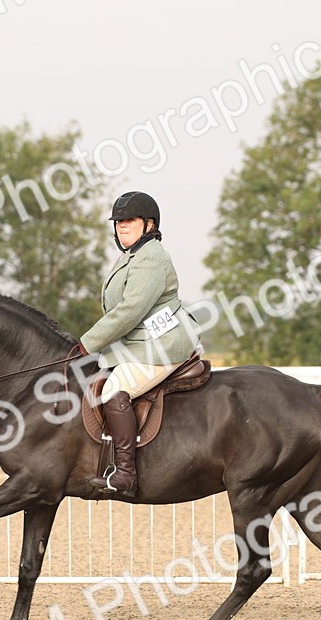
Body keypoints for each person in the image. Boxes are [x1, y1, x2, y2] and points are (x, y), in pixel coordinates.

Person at [78, 191, 201, 497]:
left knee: (113, 390)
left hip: (162, 346)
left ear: (149, 224)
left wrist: (89, 343)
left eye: (129, 220)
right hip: (138, 344)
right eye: (118, 221)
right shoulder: (133, 256)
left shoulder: (152, 258)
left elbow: (130, 311)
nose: (122, 226)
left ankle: (125, 474)